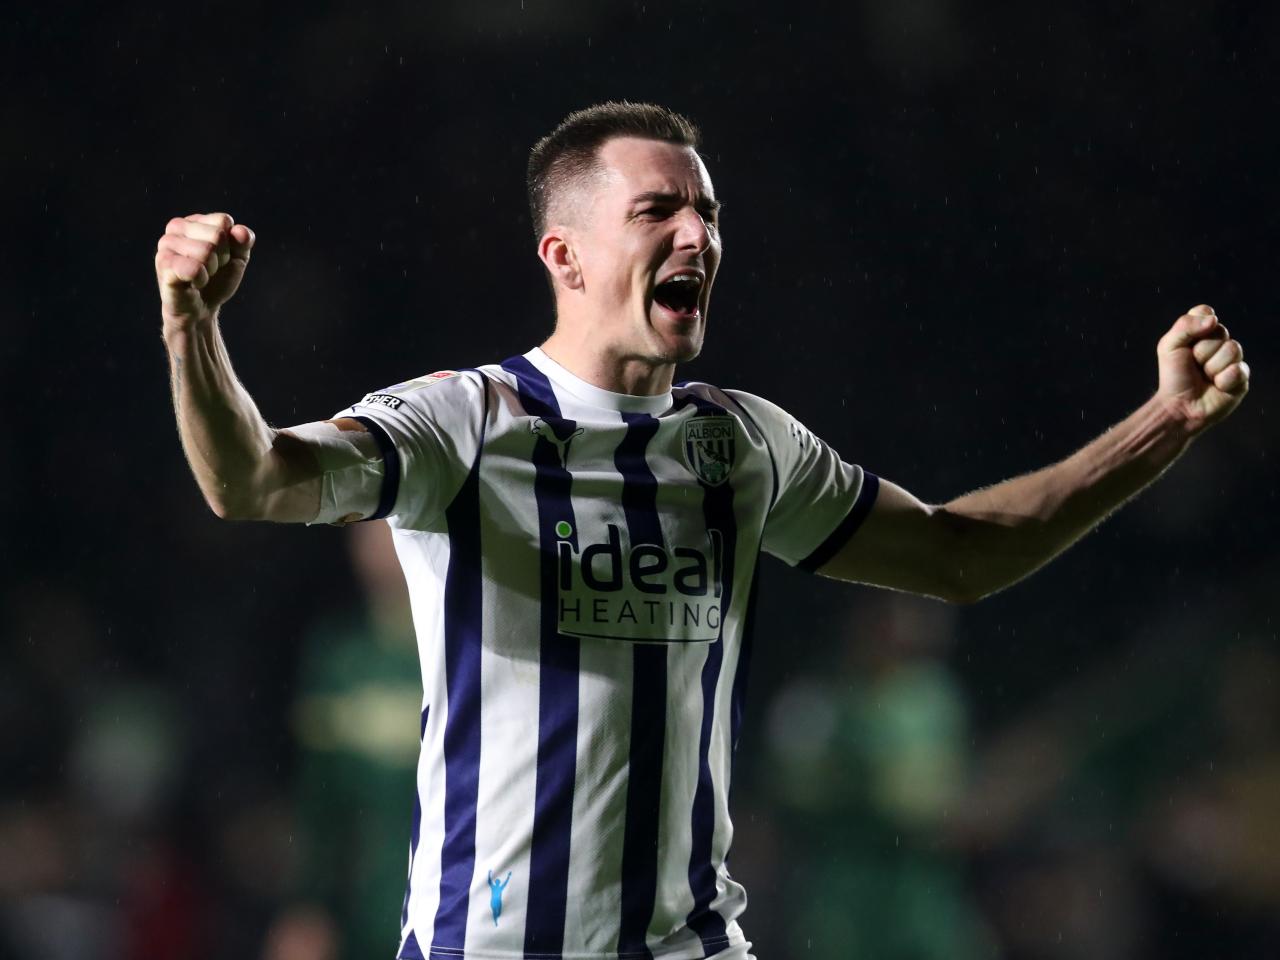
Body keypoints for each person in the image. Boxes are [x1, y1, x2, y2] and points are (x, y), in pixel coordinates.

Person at [154, 102, 1250, 960]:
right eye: (656, 213)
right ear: (564, 256)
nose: (697, 234)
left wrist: (1159, 427)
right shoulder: (465, 422)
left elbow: (958, 554)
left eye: (707, 213)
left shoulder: (742, 445)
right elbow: (250, 480)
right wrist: (192, 327)